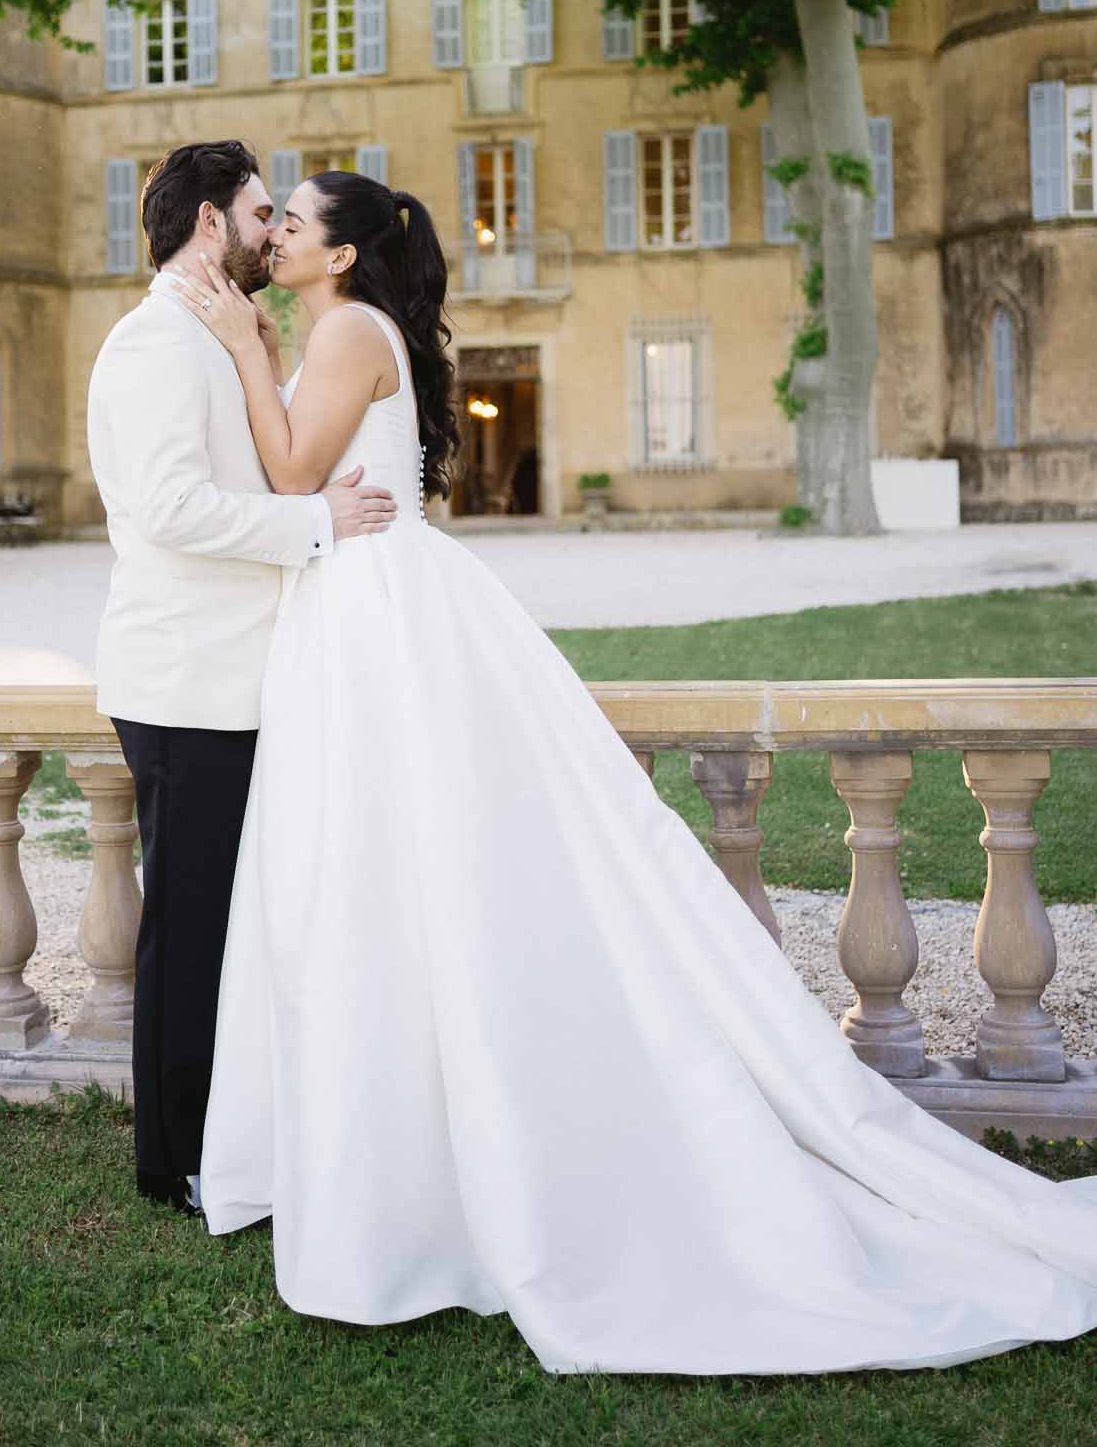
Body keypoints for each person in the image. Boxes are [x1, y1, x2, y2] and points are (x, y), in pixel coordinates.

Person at [172, 169, 1097, 1376]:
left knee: (376, 871)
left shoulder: (345, 330)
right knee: (368, 874)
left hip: (374, 620)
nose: (276, 233)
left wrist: (244, 343)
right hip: (354, 612)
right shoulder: (348, 324)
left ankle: (410, 1173)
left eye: (293, 219)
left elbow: (293, 473)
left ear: (340, 256)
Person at [86, 142, 397, 1216]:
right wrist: (313, 521)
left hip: (234, 676)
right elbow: (170, 509)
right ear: (211, 224)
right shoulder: (154, 344)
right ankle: (169, 1157)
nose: (275, 228)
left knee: (226, 920)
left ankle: (224, 1128)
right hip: (184, 682)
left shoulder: (214, 333)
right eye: (264, 210)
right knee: (188, 922)